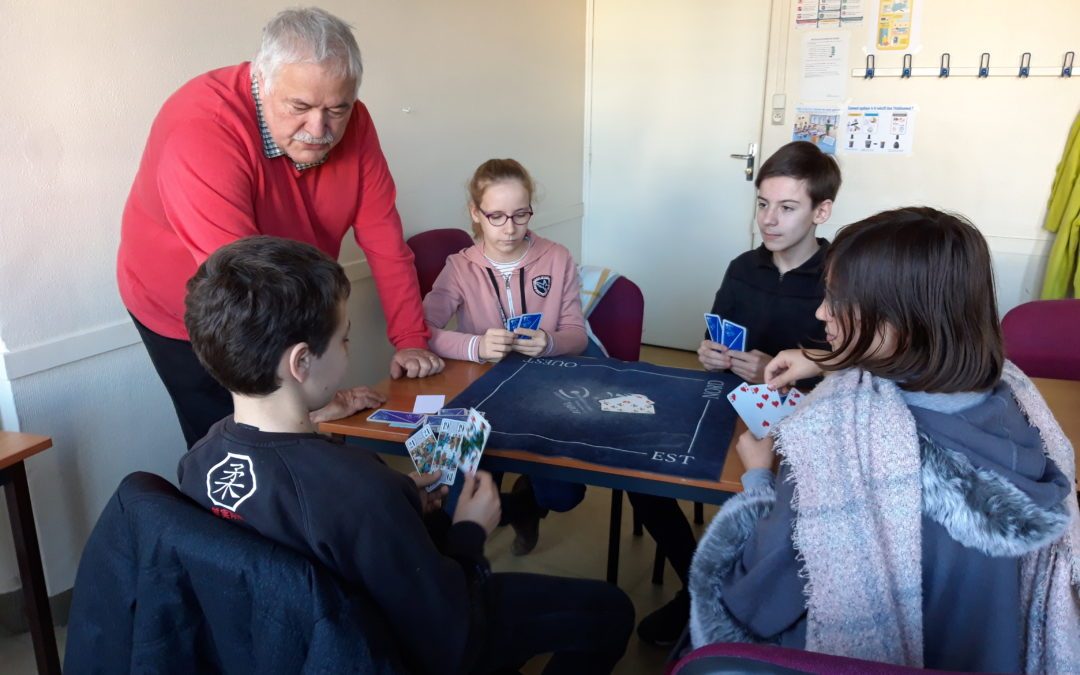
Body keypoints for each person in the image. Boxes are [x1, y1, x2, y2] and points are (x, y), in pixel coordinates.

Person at [178, 236, 634, 675]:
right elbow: (450, 637)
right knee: (611, 610)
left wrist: (398, 498)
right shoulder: (361, 489)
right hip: (401, 643)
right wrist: (471, 529)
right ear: (301, 362)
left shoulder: (197, 462)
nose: (347, 351)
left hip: (293, 647)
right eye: (344, 340)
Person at [689, 208, 1080, 672]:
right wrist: (826, 359)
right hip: (986, 650)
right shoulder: (1014, 398)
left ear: (899, 318)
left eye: (835, 299)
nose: (820, 313)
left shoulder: (835, 439)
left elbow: (759, 592)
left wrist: (757, 477)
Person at [117, 7, 443, 449]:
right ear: (262, 81)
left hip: (281, 288)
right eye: (301, 107)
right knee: (237, 445)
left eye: (336, 109)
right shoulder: (202, 131)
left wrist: (410, 340)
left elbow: (385, 242)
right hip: (195, 302)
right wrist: (309, 409)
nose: (320, 129)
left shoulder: (355, 124)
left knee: (314, 438)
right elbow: (241, 290)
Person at [631, 141, 841, 647]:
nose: (769, 220)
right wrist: (709, 354)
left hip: (805, 421)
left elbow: (857, 371)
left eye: (787, 207)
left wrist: (779, 367)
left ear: (822, 211)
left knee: (766, 501)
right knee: (642, 474)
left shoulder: (844, 276)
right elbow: (717, 334)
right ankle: (696, 585)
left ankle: (741, 594)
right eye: (763, 204)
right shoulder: (744, 267)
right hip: (727, 406)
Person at [423, 158, 591, 556]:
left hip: (544, 387)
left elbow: (577, 335)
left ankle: (526, 501)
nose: (510, 228)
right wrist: (473, 346)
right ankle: (491, 525)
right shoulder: (460, 266)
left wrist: (549, 342)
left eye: (520, 214)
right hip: (479, 390)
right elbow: (422, 332)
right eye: (495, 216)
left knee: (565, 495)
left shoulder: (557, 257)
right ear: (474, 213)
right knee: (451, 496)